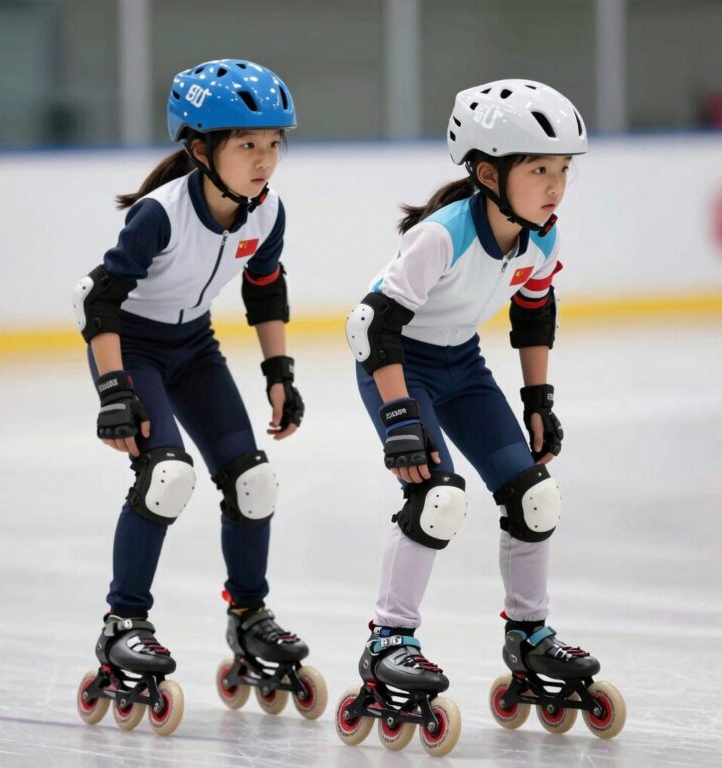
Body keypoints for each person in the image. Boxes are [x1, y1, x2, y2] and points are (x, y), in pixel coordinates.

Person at [337, 79, 624, 750]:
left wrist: (538, 401)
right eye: (538, 169)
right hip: (398, 364)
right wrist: (401, 414)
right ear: (487, 171)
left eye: (562, 170)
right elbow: (368, 325)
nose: (555, 185)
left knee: (535, 499)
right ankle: (389, 642)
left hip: (460, 368)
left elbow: (533, 311)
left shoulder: (540, 237)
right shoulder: (442, 236)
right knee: (436, 498)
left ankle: (529, 638)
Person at [73, 59, 318, 733]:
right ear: (200, 148)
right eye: (248, 145)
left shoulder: (264, 212)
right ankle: (124, 622)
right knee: (167, 477)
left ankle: (249, 618)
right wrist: (116, 390)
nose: (265, 160)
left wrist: (280, 372)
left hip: (193, 350)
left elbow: (264, 285)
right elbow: (100, 301)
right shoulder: (160, 215)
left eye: (274, 144)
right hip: (133, 347)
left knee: (253, 484)